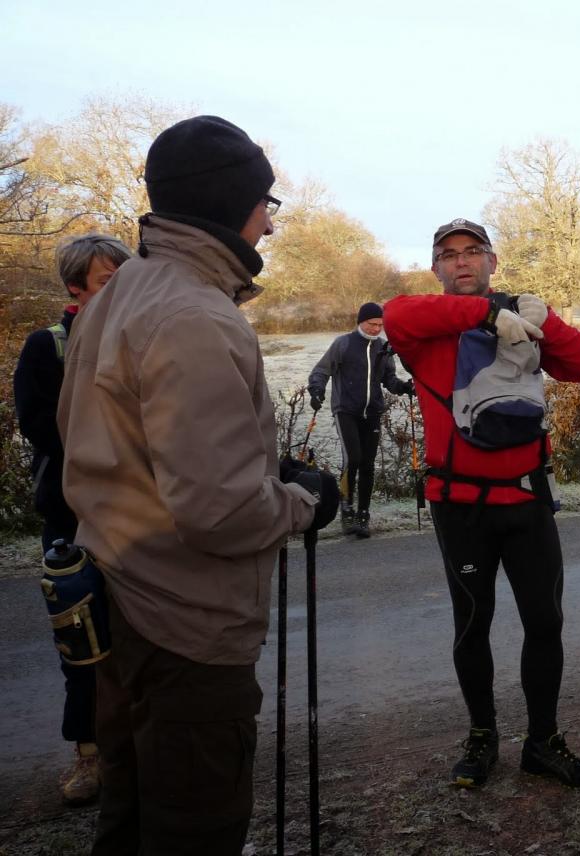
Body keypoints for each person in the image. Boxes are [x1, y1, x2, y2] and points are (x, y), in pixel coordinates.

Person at [57, 115, 338, 855]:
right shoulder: (195, 315)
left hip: (121, 601)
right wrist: (303, 504)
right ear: (231, 206)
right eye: (265, 206)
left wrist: (258, 471)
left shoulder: (120, 293)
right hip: (186, 628)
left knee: (131, 812)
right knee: (193, 829)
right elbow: (220, 513)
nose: (269, 229)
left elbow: (104, 441)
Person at [384, 218, 580, 790]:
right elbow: (396, 316)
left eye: (473, 252)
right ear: (436, 268)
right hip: (459, 504)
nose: (462, 262)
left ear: (492, 261)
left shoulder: (524, 319)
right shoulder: (426, 327)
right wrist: (486, 314)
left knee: (545, 621)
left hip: (527, 499)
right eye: (449, 255)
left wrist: (545, 321)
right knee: (472, 623)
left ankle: (542, 741)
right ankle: (482, 736)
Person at [13, 232, 131, 806]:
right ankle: (88, 756)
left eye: (125, 280)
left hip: (138, 517)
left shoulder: (141, 338)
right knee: (82, 638)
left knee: (141, 634)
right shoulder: (46, 346)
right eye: (109, 281)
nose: (120, 291)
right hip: (71, 515)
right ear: (75, 287)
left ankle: (136, 747)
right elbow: (39, 428)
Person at [307, 301, 414, 537]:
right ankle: (347, 511)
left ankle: (363, 516)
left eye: (380, 325)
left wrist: (406, 388)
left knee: (368, 464)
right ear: (360, 322)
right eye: (371, 324)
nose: (376, 329)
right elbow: (321, 370)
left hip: (373, 411)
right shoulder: (343, 343)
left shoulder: (383, 348)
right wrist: (316, 390)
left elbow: (390, 381)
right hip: (346, 410)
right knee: (353, 458)